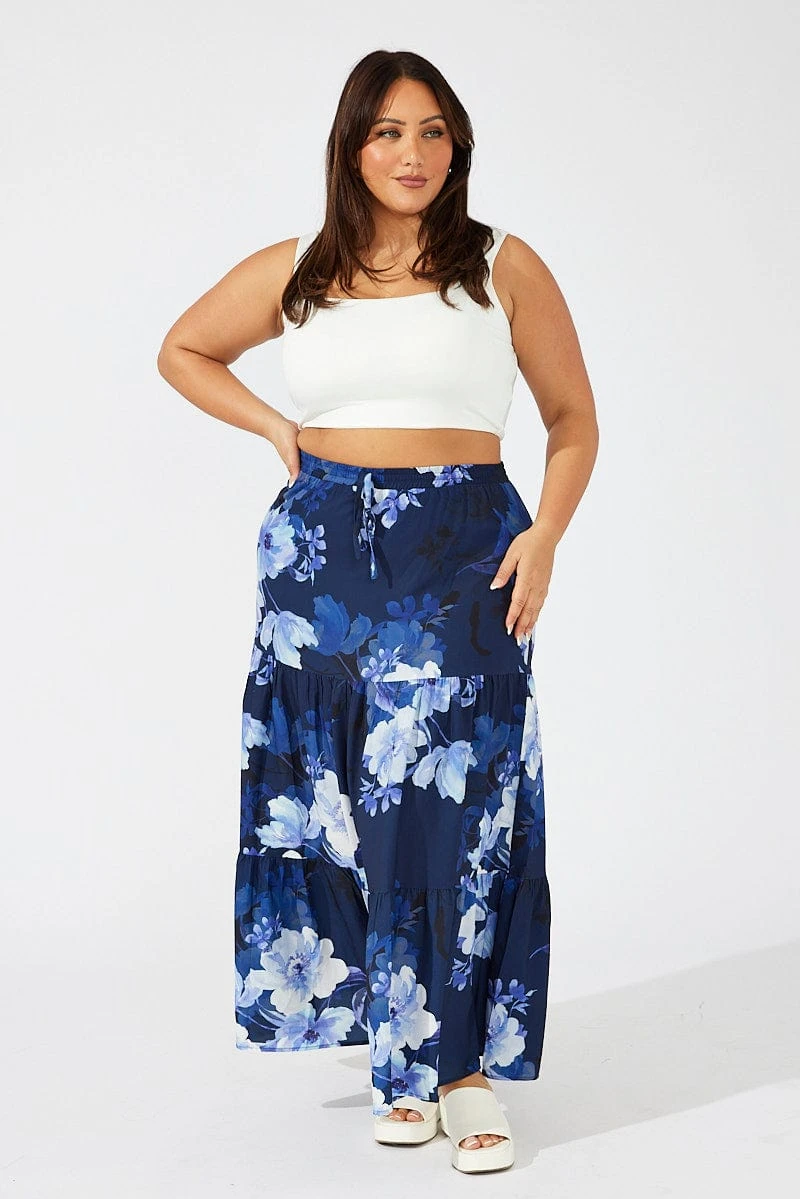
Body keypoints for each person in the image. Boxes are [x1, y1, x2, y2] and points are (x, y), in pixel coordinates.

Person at [157, 48, 598, 1175]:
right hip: (324, 569)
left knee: (459, 808)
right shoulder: (300, 269)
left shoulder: (501, 265)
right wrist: (276, 429)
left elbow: (571, 418)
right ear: (352, 146)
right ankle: (401, 1061)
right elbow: (183, 349)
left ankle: (461, 1067)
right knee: (341, 804)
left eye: (433, 131)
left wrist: (544, 534)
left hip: (465, 553)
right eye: (389, 131)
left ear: (458, 147)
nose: (413, 153)